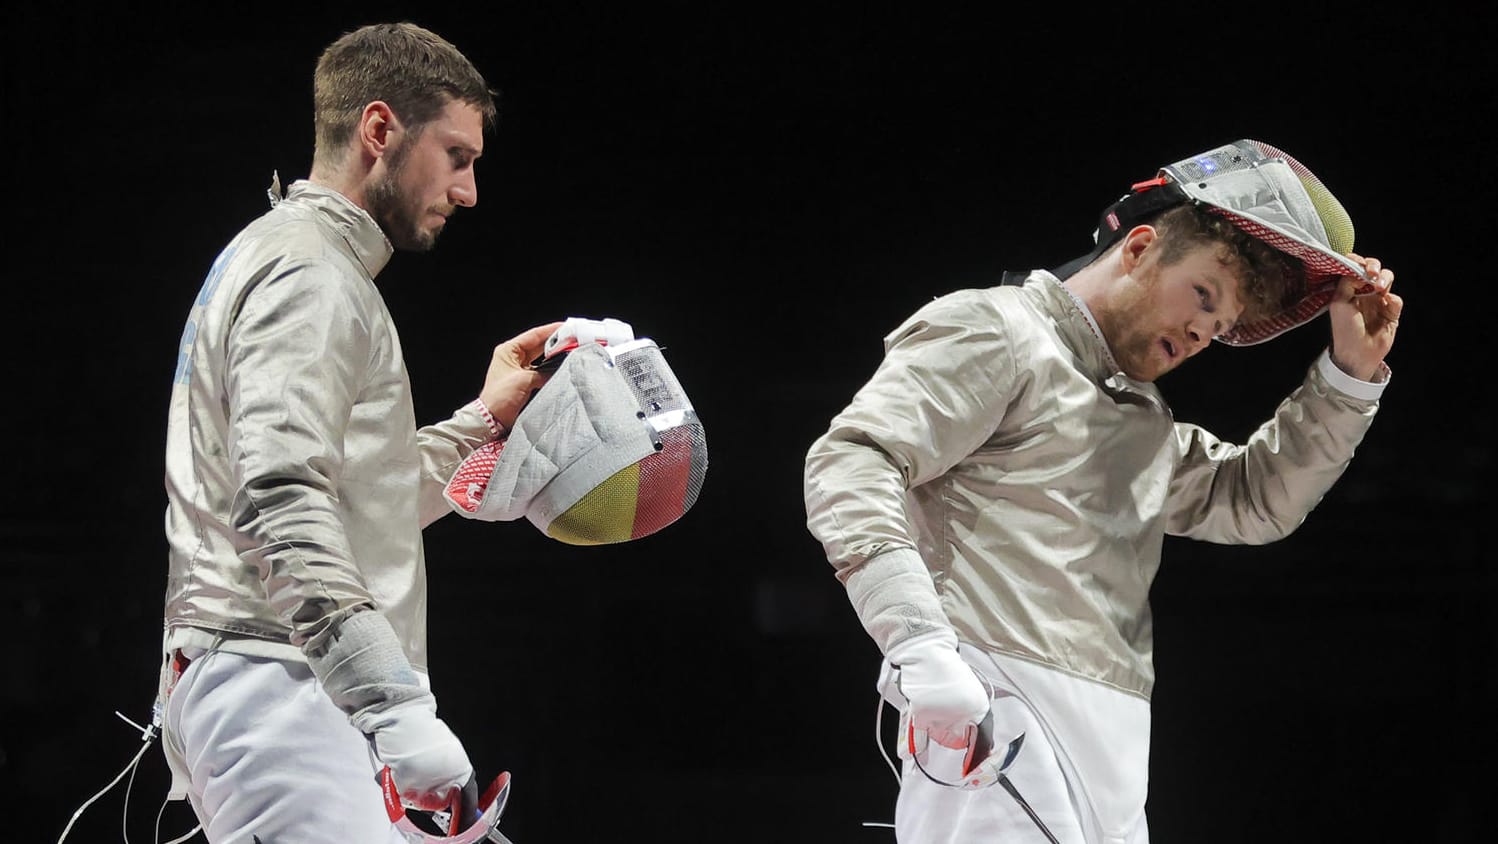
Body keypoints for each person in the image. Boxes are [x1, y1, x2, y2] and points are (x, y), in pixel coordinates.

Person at [801, 140, 1403, 843]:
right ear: (1142, 247)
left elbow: (1254, 499)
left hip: (1114, 743)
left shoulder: (1141, 423)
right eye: (1201, 297)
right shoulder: (1000, 331)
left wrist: (1348, 375)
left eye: (1217, 328)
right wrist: (920, 645)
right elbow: (853, 458)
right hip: (998, 710)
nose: (1199, 333)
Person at [155, 22, 559, 842]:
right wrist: (395, 704)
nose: (470, 189)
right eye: (457, 155)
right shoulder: (308, 273)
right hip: (281, 683)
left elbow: (351, 500)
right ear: (380, 131)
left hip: (295, 680)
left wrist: (485, 422)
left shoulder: (303, 262)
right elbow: (278, 497)